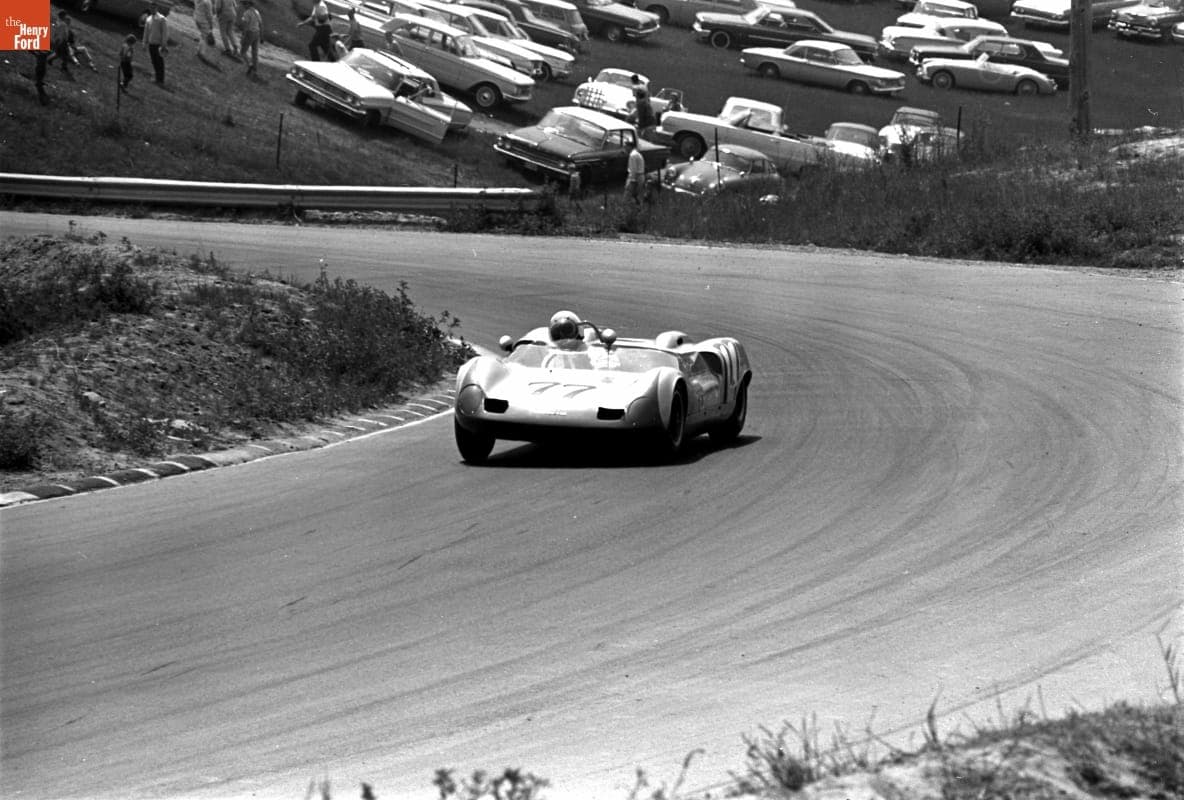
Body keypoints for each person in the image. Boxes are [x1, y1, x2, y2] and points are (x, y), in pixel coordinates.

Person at [142, 0, 168, 84]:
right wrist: (144, 43)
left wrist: (163, 45)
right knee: (153, 61)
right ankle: (157, 77)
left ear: (157, 8)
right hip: (151, 44)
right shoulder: (148, 19)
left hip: (158, 45)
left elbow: (164, 33)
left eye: (154, 8)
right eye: (151, 7)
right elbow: (146, 32)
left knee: (159, 62)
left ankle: (160, 79)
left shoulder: (161, 19)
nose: (152, 9)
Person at [239, 0, 262, 75]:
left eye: (244, 3)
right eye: (243, 3)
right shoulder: (256, 11)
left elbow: (245, 26)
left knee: (243, 52)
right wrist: (261, 35)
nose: (243, 5)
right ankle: (255, 69)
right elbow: (260, 23)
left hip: (249, 33)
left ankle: (250, 65)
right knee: (254, 52)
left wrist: (243, 36)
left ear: (249, 4)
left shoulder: (247, 13)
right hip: (257, 32)